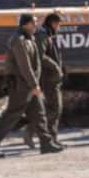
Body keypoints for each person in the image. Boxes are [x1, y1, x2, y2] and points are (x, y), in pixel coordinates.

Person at [0, 14, 60, 157]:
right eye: (34, 23)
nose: (36, 26)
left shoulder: (28, 38)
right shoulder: (19, 40)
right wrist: (34, 84)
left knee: (39, 113)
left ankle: (46, 143)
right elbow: (24, 66)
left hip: (28, 86)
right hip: (21, 86)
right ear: (25, 24)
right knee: (11, 116)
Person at [36, 13, 66, 149]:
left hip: (52, 77)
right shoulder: (43, 35)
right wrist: (55, 68)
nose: (59, 27)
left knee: (52, 109)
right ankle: (50, 140)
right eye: (58, 24)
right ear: (53, 23)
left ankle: (50, 138)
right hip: (48, 78)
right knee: (55, 108)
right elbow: (41, 56)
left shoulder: (48, 34)